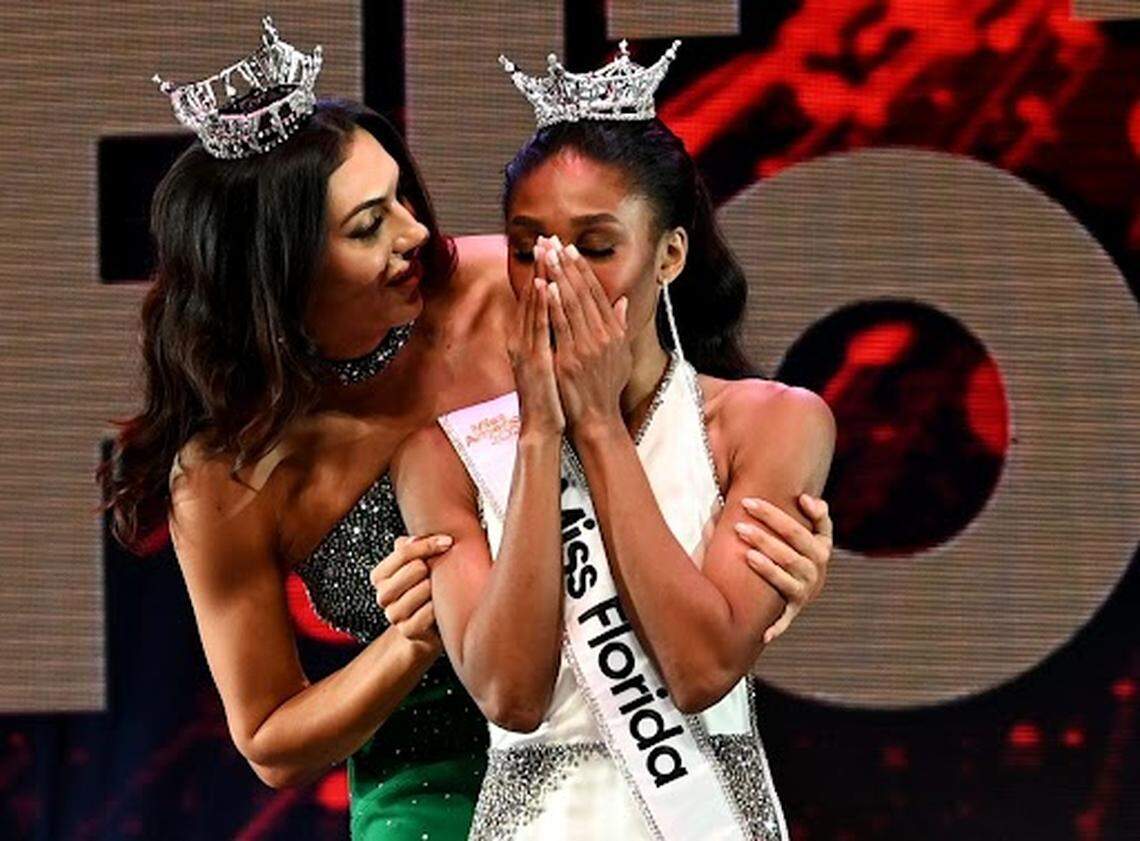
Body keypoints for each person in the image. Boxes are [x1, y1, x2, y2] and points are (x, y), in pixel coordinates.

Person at [102, 20, 834, 841]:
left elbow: (687, 436)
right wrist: (413, 638)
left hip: (645, 737)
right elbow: (270, 739)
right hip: (430, 782)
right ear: (276, 269)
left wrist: (761, 570)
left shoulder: (514, 285)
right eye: (367, 225)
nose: (417, 234)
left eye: (401, 197)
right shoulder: (229, 473)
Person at [387, 42, 834, 840]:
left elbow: (700, 669)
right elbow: (510, 694)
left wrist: (596, 426)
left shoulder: (772, 422)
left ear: (669, 254)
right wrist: (538, 432)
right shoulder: (443, 455)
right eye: (529, 250)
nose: (558, 279)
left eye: (595, 248)